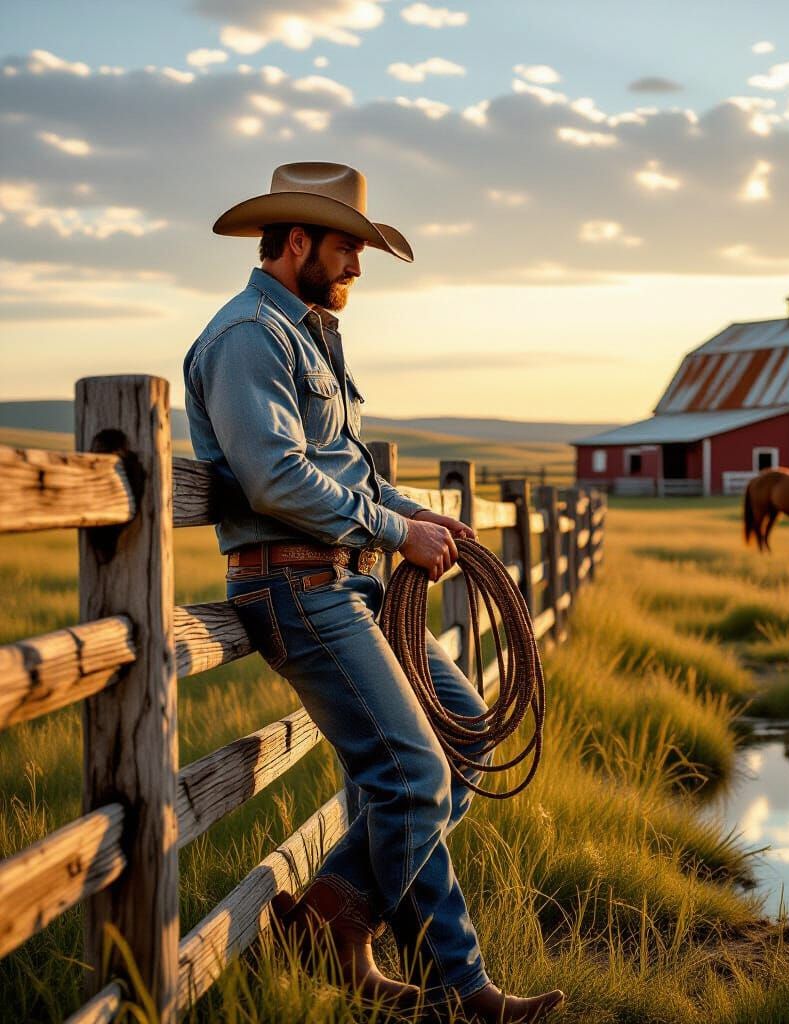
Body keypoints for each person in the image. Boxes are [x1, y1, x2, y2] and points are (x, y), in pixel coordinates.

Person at [183, 162, 564, 1023]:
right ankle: (461, 990)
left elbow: (341, 469)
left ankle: (328, 928)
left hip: (343, 586)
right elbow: (276, 478)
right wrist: (397, 535)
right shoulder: (250, 337)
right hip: (295, 588)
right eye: (348, 247)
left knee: (457, 749)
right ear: (294, 241)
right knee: (413, 773)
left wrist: (411, 512)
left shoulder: (310, 333)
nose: (357, 265)